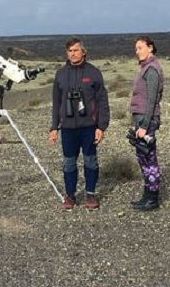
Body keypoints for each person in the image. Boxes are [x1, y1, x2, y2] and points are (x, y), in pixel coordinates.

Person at [49, 37, 110, 211]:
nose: (73, 54)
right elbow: (56, 102)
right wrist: (54, 127)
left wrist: (101, 126)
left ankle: (90, 194)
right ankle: (70, 195)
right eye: (69, 51)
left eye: (76, 50)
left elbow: (102, 101)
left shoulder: (94, 73)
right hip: (68, 127)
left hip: (88, 126)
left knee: (90, 160)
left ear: (83, 52)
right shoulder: (60, 74)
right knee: (69, 163)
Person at [129, 35, 164, 211]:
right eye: (136, 49)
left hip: (146, 120)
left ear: (150, 48)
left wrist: (144, 126)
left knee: (149, 159)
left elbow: (151, 101)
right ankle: (147, 195)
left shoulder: (152, 69)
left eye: (140, 48)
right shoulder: (145, 68)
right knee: (143, 158)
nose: (137, 52)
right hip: (142, 119)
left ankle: (152, 198)